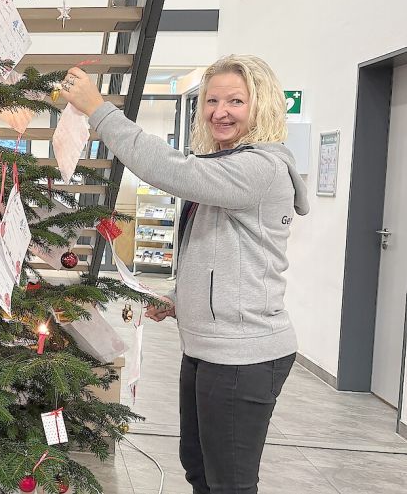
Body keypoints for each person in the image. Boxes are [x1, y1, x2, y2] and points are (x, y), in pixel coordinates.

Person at [60, 54, 308, 494]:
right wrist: (178, 298)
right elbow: (218, 252)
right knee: (197, 468)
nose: (220, 111)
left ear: (262, 105)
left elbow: (173, 169)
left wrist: (100, 111)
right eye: (212, 100)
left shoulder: (259, 167)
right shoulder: (229, 165)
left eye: (235, 100)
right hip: (207, 349)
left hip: (242, 356)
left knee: (229, 483)